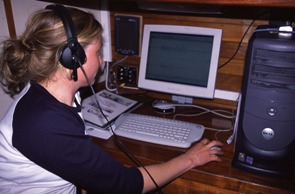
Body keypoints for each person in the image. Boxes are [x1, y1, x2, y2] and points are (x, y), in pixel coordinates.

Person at [0, 4, 223, 194]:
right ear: (72, 59)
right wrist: (190, 159)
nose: (102, 60)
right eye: (97, 52)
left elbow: (63, 159)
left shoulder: (49, 92)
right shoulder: (44, 123)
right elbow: (125, 185)